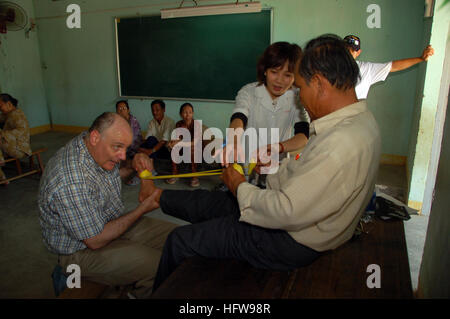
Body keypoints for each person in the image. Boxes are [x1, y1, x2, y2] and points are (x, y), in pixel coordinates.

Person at [138, 34, 382, 292]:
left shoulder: (340, 141)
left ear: (319, 84)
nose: (297, 96)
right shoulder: (360, 123)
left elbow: (285, 211)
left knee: (180, 240)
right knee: (213, 203)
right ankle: (156, 196)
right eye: (277, 73)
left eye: (298, 86)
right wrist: (250, 164)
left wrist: (240, 186)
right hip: (288, 211)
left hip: (290, 239)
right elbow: (241, 120)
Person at [38, 112, 177, 298]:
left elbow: (113, 175)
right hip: (80, 250)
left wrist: (134, 165)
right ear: (95, 137)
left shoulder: (91, 145)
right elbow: (95, 240)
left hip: (107, 223)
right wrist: (143, 208)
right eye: (118, 147)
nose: (122, 155)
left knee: (176, 239)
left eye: (125, 148)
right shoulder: (70, 180)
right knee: (157, 265)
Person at [218, 42, 310, 187]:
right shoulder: (249, 92)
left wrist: (278, 147)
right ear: (265, 70)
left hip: (275, 169)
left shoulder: (297, 97)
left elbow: (303, 135)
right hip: (246, 166)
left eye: (287, 75)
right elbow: (238, 118)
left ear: (295, 77)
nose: (279, 80)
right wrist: (233, 143)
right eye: (274, 72)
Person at [344, 35, 435, 99]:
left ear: (358, 52)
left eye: (352, 50)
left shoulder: (366, 69)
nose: (348, 52)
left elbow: (393, 66)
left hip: (353, 119)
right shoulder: (330, 66)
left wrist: (420, 59)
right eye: (345, 49)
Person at [166, 103, 211, 187]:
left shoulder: (197, 124)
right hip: (184, 146)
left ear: (193, 113)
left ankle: (194, 176)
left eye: (190, 112)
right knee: (174, 148)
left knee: (192, 148)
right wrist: (172, 143)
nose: (188, 115)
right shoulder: (179, 124)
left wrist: (180, 142)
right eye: (185, 112)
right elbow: (177, 139)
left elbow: (195, 142)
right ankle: (175, 173)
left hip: (197, 148)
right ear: (180, 114)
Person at [0, 93, 32, 184]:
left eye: (0, 106)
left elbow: (22, 130)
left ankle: (2, 177)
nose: (0, 109)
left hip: (20, 149)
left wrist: (3, 135)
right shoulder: (8, 114)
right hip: (12, 145)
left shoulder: (17, 115)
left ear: (9, 104)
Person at [116, 100, 144, 185]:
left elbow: (134, 140)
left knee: (128, 165)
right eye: (119, 109)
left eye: (124, 108)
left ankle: (137, 173)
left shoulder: (133, 121)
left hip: (134, 149)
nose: (121, 110)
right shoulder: (116, 122)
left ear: (128, 110)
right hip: (122, 149)